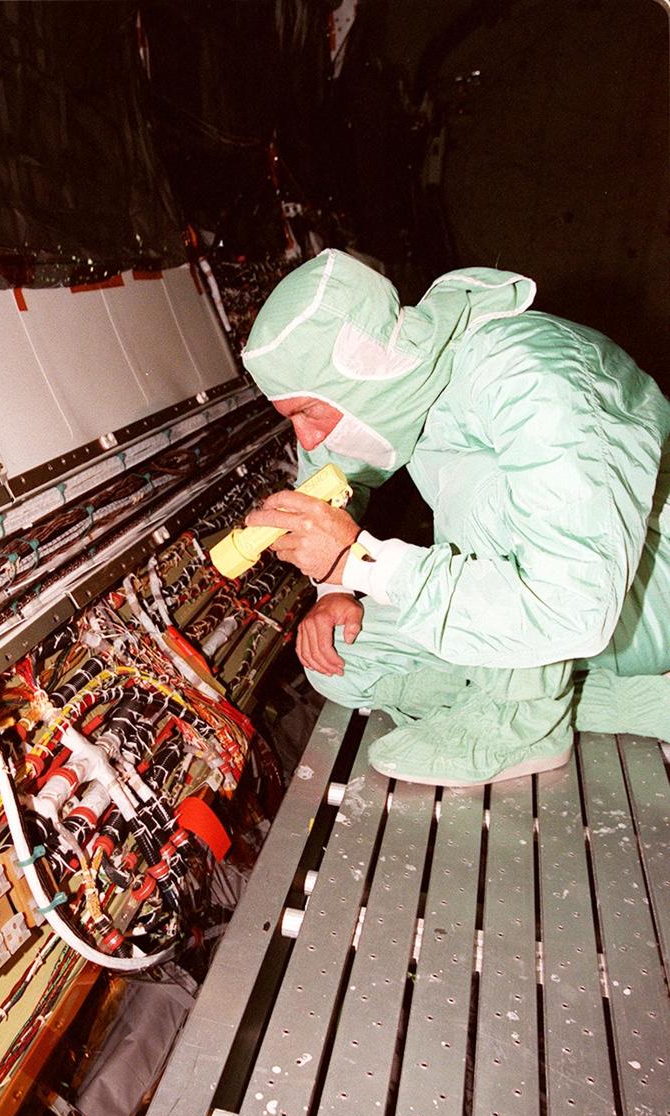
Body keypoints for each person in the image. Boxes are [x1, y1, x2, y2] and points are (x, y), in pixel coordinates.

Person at [241, 249, 669, 786]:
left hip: (634, 597)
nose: (304, 438)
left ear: (362, 370)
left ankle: (523, 727)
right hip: (551, 615)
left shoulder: (529, 375)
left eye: (307, 411)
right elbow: (326, 477)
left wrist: (359, 562)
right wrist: (333, 589)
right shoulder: (400, 382)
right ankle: (614, 700)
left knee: (478, 491)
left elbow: (575, 603)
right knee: (341, 659)